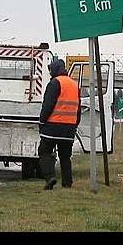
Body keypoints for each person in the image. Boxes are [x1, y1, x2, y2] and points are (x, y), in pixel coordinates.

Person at [38, 58, 81, 190]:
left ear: (55, 70)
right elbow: (78, 108)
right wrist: (74, 125)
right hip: (68, 129)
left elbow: (48, 105)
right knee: (65, 157)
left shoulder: (55, 83)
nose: (50, 72)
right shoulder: (74, 85)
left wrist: (42, 121)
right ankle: (67, 183)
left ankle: (50, 177)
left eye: (51, 69)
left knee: (44, 151)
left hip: (52, 126)